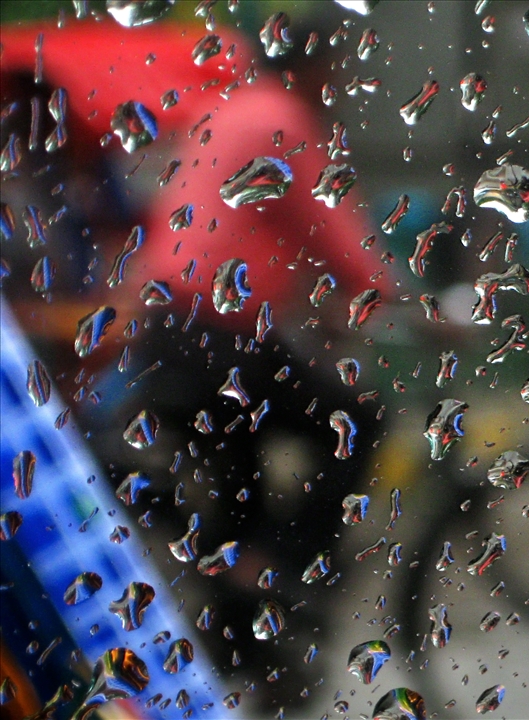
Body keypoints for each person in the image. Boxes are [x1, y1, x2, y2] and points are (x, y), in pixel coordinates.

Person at [2, 17, 387, 716]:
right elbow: (329, 227)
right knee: (357, 422)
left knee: (237, 491)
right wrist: (387, 294)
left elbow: (220, 226)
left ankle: (256, 649)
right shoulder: (284, 115)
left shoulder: (228, 108)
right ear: (314, 70)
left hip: (170, 326)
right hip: (218, 337)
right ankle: (288, 570)